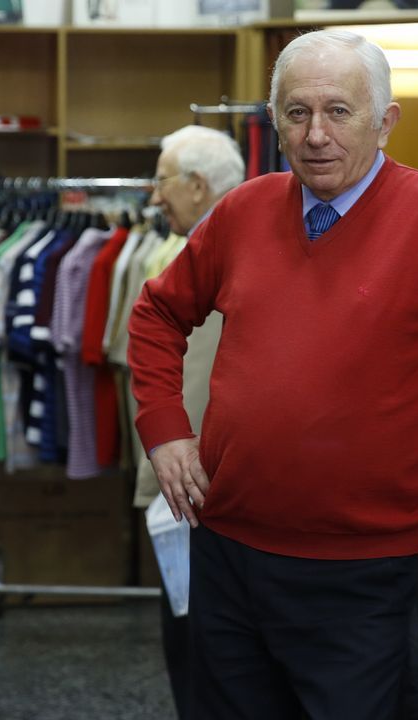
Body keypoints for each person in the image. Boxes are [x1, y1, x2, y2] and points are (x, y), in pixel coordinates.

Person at [128, 29, 418, 719]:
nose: (315, 134)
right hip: (227, 558)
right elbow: (156, 314)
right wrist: (164, 431)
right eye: (297, 112)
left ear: (384, 121)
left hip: (358, 580)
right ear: (273, 118)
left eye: (338, 111)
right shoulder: (243, 212)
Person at [141, 124, 245, 719]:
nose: (155, 197)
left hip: (208, 489)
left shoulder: (227, 253)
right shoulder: (178, 255)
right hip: (186, 481)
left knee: (205, 650)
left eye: (162, 182)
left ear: (199, 186)